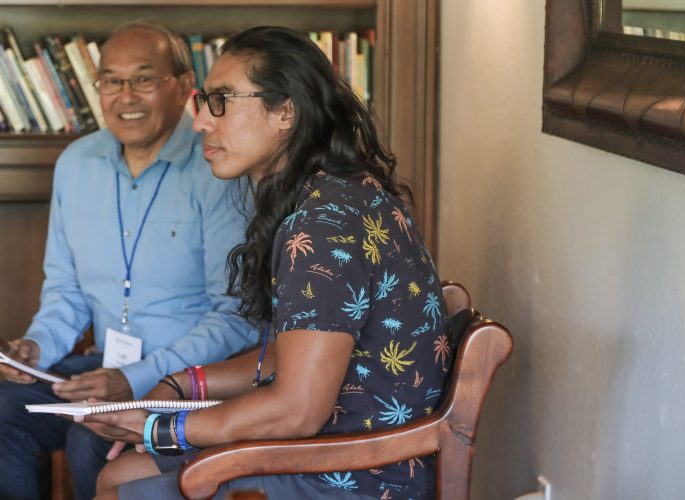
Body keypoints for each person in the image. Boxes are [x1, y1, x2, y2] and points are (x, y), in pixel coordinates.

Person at [76, 26, 452, 500]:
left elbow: (297, 411)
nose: (200, 123)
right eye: (203, 101)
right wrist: (178, 385)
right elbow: (293, 353)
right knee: (118, 476)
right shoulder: (335, 194)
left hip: (355, 470)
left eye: (221, 101)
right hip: (333, 446)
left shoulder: (322, 225)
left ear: (285, 112)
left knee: (121, 483)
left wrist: (160, 429)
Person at [0, 22, 258, 500]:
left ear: (185, 86)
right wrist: (38, 348)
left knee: (91, 439)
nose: (126, 96)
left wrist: (137, 379)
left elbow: (235, 318)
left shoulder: (218, 168)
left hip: (187, 379)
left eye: (144, 79)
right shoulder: (76, 164)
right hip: (105, 368)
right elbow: (66, 287)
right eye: (111, 80)